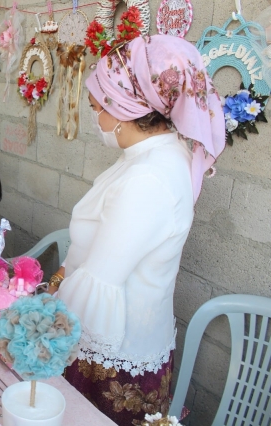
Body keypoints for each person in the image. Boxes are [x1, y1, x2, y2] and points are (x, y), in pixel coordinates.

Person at [48, 35, 225, 424]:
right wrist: (61, 276)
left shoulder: (150, 177)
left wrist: (41, 328)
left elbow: (101, 279)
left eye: (96, 107)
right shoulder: (149, 157)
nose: (94, 117)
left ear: (123, 106)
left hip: (114, 357)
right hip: (119, 339)